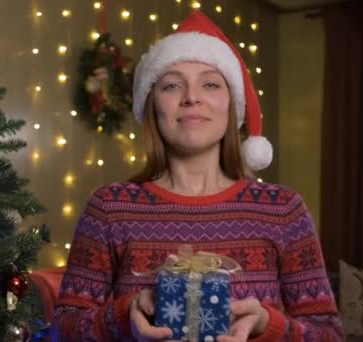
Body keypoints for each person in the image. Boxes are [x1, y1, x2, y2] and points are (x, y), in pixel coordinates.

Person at [53, 10, 343, 342]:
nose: (192, 97)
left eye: (210, 83)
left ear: (232, 106)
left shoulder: (283, 210)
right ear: (152, 108)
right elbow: (62, 330)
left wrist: (267, 325)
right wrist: (123, 315)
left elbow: (330, 335)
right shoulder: (109, 207)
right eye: (172, 85)